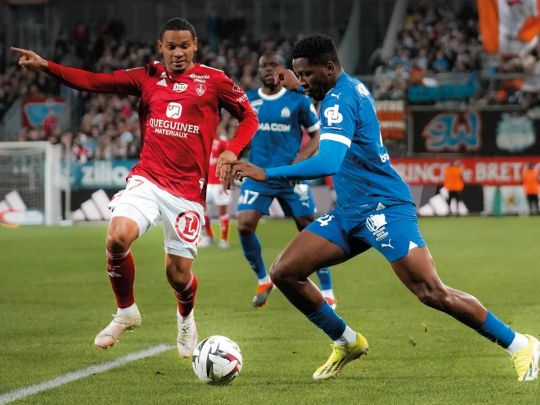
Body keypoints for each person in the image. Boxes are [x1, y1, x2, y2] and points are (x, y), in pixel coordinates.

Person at [229, 34, 539, 381]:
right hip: (349, 212)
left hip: (383, 207)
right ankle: (346, 341)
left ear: (328, 68)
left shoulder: (338, 101)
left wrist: (267, 172)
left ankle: (521, 344)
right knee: (285, 272)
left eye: (306, 75)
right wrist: (293, 79)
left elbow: (329, 161)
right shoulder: (341, 86)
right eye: (298, 75)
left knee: (431, 292)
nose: (301, 83)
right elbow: (314, 91)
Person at [12, 18, 258, 357]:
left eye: (184, 46)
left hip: (187, 192)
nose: (177, 53)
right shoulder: (147, 76)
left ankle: (186, 319)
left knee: (178, 276)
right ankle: (126, 310)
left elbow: (249, 117)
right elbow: (94, 81)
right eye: (171, 47)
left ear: (195, 45)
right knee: (117, 237)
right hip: (148, 179)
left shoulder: (214, 80)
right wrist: (47, 67)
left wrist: (232, 150)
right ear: (160, 47)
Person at [238, 51, 336, 308]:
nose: (268, 69)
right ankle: (263, 280)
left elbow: (317, 135)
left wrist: (300, 160)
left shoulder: (298, 100)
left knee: (309, 228)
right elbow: (243, 135)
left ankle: (327, 289)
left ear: (283, 69)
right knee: (244, 225)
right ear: (258, 70)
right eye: (264, 65)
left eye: (274, 65)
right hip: (258, 174)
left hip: (291, 176)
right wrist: (232, 159)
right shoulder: (249, 100)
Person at [199, 130, 233, 249]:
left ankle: (224, 239)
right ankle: (208, 236)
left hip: (219, 183)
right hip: (207, 183)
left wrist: (226, 181)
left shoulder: (223, 141)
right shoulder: (204, 139)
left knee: (222, 212)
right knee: (202, 211)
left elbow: (229, 161)